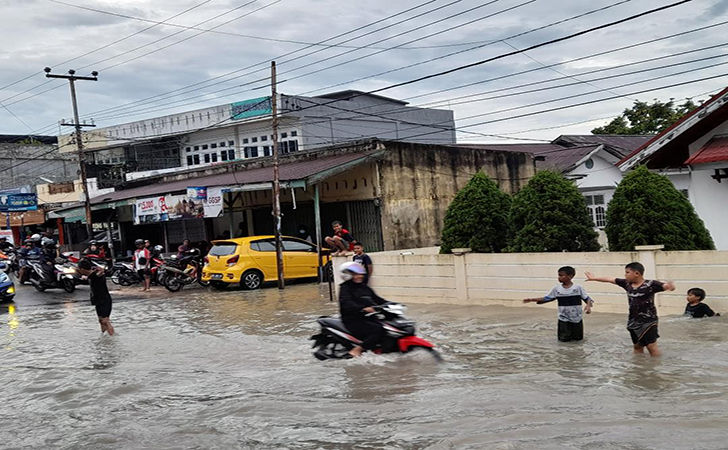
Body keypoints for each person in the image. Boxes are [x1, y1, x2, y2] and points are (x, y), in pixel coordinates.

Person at [586, 262, 675, 357]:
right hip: (633, 320)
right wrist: (594, 278)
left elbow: (667, 287)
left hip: (649, 320)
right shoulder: (626, 283)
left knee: (651, 347)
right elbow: (610, 279)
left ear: (637, 273)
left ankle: (656, 369)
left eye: (627, 272)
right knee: (637, 346)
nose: (625, 275)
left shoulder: (651, 284)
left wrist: (671, 286)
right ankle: (639, 367)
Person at [523, 266, 594, 342]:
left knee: (578, 341)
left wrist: (588, 306)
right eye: (558, 275)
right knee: (563, 341)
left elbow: (588, 299)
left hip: (577, 319)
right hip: (563, 319)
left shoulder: (578, 288)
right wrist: (532, 299)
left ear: (570, 276)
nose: (559, 277)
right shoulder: (557, 289)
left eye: (561, 275)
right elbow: (547, 298)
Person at [338, 261, 388, 357]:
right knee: (378, 329)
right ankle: (357, 350)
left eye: (361, 274)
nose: (360, 276)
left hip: (368, 317)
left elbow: (378, 299)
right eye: (356, 274)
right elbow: (346, 302)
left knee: (388, 326)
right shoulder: (345, 288)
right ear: (348, 275)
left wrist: (391, 304)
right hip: (353, 320)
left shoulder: (365, 288)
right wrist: (363, 308)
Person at [77, 253, 115, 336]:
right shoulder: (90, 276)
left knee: (105, 320)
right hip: (98, 301)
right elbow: (90, 277)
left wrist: (101, 270)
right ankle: (104, 337)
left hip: (104, 300)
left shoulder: (96, 275)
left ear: (82, 269)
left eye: (79, 269)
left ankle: (113, 338)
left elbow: (99, 274)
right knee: (101, 320)